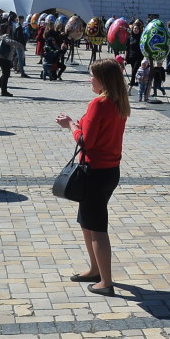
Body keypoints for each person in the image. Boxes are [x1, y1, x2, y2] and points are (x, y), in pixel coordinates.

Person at [56, 58, 130, 297]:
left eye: (92, 75)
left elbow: (85, 142)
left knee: (96, 227)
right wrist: (81, 125)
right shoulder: (118, 102)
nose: (89, 79)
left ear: (103, 80)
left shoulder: (99, 104)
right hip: (109, 170)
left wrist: (70, 126)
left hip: (95, 171)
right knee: (87, 222)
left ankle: (106, 281)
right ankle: (94, 270)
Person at [0, 23, 15, 96]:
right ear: (5, 29)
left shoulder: (0, 36)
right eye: (8, 28)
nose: (9, 30)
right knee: (6, 74)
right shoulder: (5, 36)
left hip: (0, 56)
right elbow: (9, 42)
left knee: (5, 74)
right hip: (3, 57)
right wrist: (19, 45)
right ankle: (3, 91)